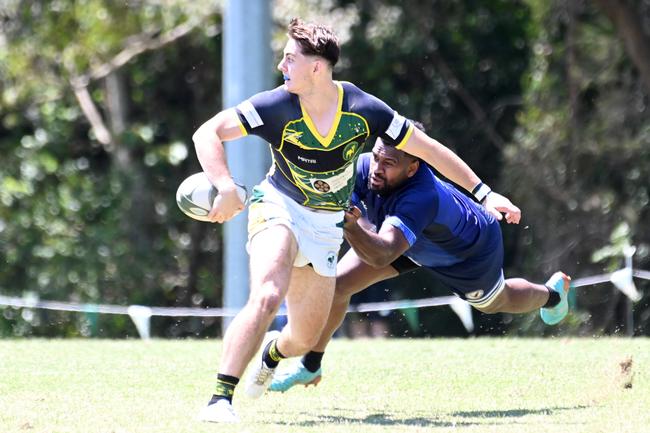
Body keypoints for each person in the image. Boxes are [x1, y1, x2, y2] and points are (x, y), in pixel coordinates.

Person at [192, 18, 520, 423]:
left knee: (304, 337)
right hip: (279, 204)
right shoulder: (274, 106)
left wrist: (485, 194)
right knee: (268, 293)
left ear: (317, 67)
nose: (282, 66)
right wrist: (224, 186)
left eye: (290, 58)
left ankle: (273, 352)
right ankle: (220, 398)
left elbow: (430, 151)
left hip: (326, 224)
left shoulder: (365, 109)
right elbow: (207, 133)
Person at [269, 122, 571, 393]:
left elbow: (381, 254)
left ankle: (552, 296)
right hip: (407, 241)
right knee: (337, 286)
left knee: (495, 302)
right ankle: (312, 365)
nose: (377, 168)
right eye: (376, 156)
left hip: (467, 253)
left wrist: (348, 224)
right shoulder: (365, 168)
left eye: (389, 163)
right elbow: (347, 210)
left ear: (412, 168)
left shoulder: (421, 196)